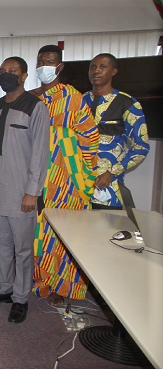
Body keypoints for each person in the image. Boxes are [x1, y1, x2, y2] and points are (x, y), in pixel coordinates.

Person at [0, 56, 50, 324]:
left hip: (22, 194)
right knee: (2, 247)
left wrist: (33, 191)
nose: (7, 75)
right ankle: (4, 289)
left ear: (23, 76)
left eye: (12, 71)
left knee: (23, 250)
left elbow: (40, 154)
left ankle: (21, 298)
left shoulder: (36, 107)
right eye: (3, 71)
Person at [29, 45, 100, 306]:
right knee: (36, 233)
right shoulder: (30, 97)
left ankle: (61, 285)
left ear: (59, 67)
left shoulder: (73, 97)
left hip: (64, 181)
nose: (44, 65)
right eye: (40, 61)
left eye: (50, 62)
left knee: (60, 235)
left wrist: (87, 174)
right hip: (34, 179)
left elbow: (90, 137)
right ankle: (39, 281)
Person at [82, 53, 150, 209]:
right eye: (93, 67)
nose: (96, 71)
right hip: (77, 190)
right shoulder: (80, 101)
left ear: (114, 72)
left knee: (105, 232)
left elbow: (141, 147)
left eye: (103, 67)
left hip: (107, 190)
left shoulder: (128, 103)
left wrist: (112, 172)